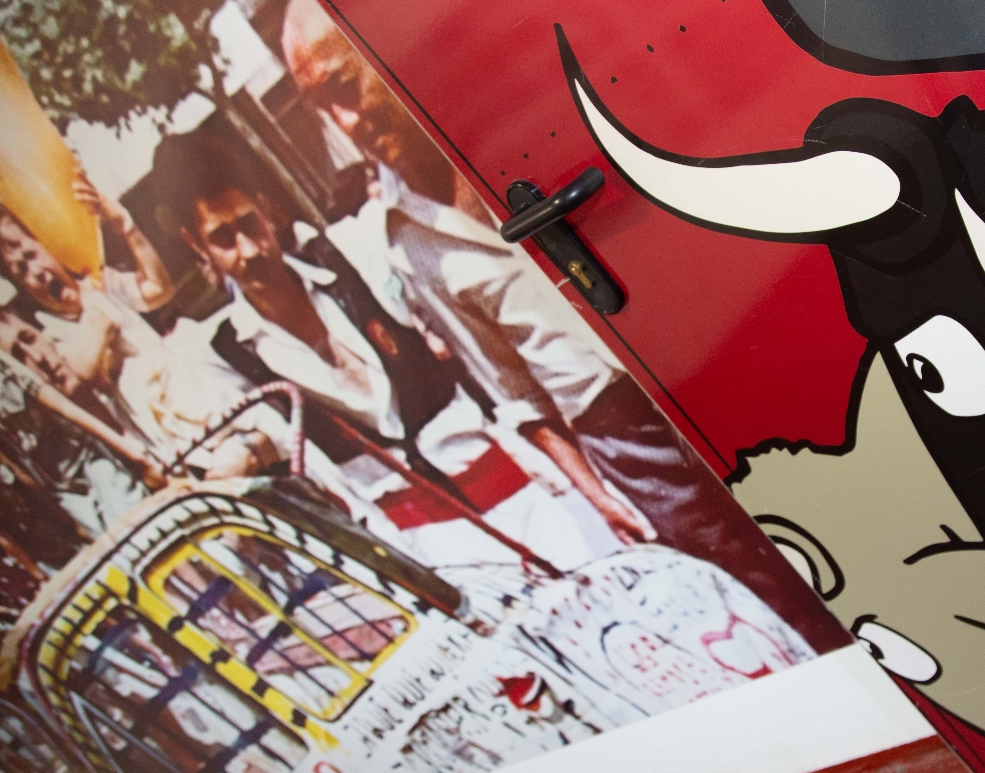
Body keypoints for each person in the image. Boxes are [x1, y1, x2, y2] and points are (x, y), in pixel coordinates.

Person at [278, 0, 797, 603]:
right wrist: (599, 495)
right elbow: (515, 393)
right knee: (754, 590)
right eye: (321, 109)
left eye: (342, 88)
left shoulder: (518, 127)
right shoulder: (404, 241)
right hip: (622, 436)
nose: (345, 124)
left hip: (698, 361)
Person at [151, 129, 622, 616]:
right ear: (195, 244)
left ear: (266, 211)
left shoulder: (351, 254)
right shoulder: (225, 353)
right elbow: (264, 441)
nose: (248, 250)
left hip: (510, 485)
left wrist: (584, 482)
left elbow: (486, 351)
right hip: (429, 546)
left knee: (603, 609)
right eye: (222, 238)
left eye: (249, 224)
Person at [0, 177, 208, 456]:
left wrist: (127, 226)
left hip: (187, 390)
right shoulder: (48, 333)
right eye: (22, 271)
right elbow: (79, 377)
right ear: (23, 288)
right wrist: (98, 331)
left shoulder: (97, 284)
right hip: (157, 433)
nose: (37, 272)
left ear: (48, 249)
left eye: (32, 255)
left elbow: (159, 290)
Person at [0, 311, 165, 540]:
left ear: (42, 332)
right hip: (77, 491)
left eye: (30, 338)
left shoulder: (97, 367)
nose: (37, 358)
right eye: (19, 356)